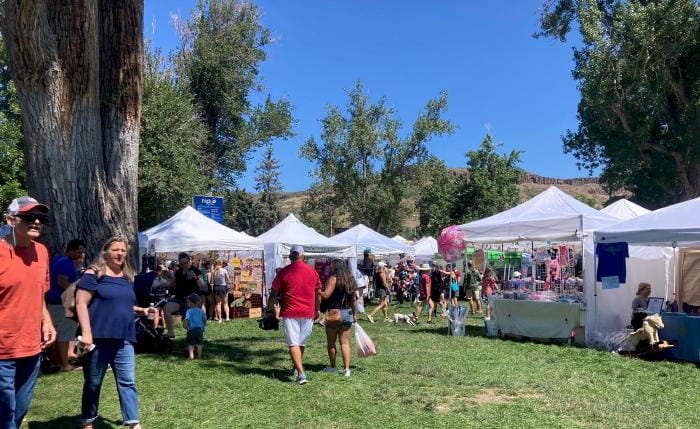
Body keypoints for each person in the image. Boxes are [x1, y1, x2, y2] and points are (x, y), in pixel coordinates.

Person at [75, 237, 151, 429]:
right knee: (93, 383)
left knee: (128, 382)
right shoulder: (94, 273)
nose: (119, 254)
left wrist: (140, 310)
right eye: (115, 250)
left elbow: (120, 303)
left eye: (123, 251)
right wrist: (86, 333)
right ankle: (88, 421)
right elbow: (80, 303)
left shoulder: (127, 277)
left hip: (124, 338)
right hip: (98, 339)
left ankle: (133, 423)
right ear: (105, 252)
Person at [0, 196, 56, 429]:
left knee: (19, 409)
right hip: (2, 350)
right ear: (11, 220)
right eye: (28, 217)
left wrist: (47, 320)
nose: (35, 222)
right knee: (6, 414)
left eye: (40, 218)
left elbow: (39, 291)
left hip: (31, 348)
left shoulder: (41, 252)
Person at [265, 245, 321, 385]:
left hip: (291, 311)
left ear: (290, 256)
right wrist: (317, 309)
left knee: (293, 343)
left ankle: (301, 374)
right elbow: (318, 293)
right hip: (308, 312)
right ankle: (297, 368)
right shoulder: (313, 272)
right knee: (301, 342)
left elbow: (273, 294)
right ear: (303, 256)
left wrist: (270, 310)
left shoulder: (284, 272)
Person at [47, 238, 86, 371]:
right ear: (70, 250)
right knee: (64, 334)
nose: (81, 255)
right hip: (62, 304)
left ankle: (56, 361)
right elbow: (62, 282)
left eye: (82, 253)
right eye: (78, 252)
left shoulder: (58, 260)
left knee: (57, 334)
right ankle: (65, 365)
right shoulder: (65, 262)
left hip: (54, 303)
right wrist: (79, 292)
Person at [319, 259, 358, 376]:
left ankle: (333, 367)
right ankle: (347, 369)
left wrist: (318, 291)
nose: (330, 268)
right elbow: (353, 300)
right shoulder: (350, 279)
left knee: (331, 342)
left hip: (334, 313)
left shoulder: (334, 278)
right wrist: (354, 314)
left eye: (331, 266)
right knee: (345, 343)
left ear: (335, 267)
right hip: (348, 313)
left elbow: (326, 295)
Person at [163, 252, 205, 338]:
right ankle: (171, 332)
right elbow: (170, 283)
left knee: (190, 324)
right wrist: (158, 282)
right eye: (181, 263)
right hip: (180, 298)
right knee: (167, 308)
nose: (184, 265)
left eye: (185, 263)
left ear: (189, 261)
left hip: (192, 300)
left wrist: (196, 278)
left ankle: (193, 343)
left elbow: (202, 286)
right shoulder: (178, 272)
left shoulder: (196, 270)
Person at [184, 293, 206, 359]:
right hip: (199, 330)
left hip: (191, 330)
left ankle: (191, 356)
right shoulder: (201, 311)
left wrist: (185, 326)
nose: (187, 303)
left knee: (190, 343)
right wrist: (203, 326)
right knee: (199, 343)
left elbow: (186, 320)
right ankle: (199, 356)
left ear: (191, 303)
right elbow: (204, 319)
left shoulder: (189, 311)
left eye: (187, 302)